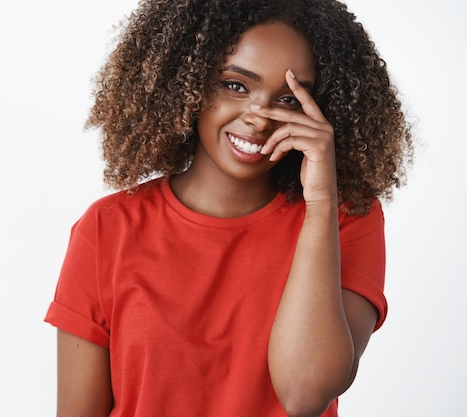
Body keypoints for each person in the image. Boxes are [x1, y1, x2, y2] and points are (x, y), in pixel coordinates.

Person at [44, 0, 413, 416]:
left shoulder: (346, 218)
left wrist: (322, 203)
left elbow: (305, 395)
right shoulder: (107, 227)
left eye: (290, 99)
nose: (259, 118)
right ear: (186, 82)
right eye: (236, 85)